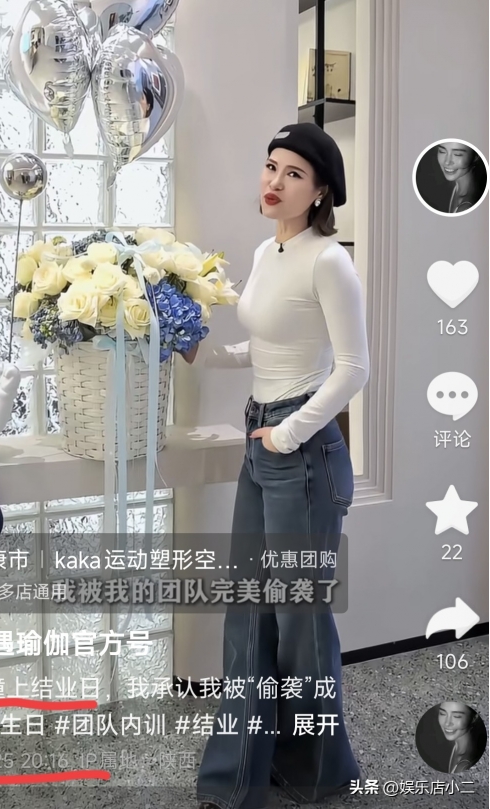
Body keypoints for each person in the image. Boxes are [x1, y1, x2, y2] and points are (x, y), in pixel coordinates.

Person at [182, 122, 370, 809]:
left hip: (304, 454)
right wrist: (206, 353)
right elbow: (263, 349)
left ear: (320, 191)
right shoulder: (268, 251)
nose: (274, 181)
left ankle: (318, 770)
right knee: (249, 611)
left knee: (299, 619)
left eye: (293, 173)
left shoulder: (329, 261)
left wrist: (288, 434)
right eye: (270, 166)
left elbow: (353, 368)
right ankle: (238, 777)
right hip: (262, 439)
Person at [437, 142, 486, 213]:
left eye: (457, 154)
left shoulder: (467, 207)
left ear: (476, 156)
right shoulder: (457, 188)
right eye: (442, 151)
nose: (447, 162)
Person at [438, 702, 484, 773]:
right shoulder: (454, 747)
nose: (447, 723)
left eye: (457, 716)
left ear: (474, 718)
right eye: (442, 713)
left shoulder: (465, 764)